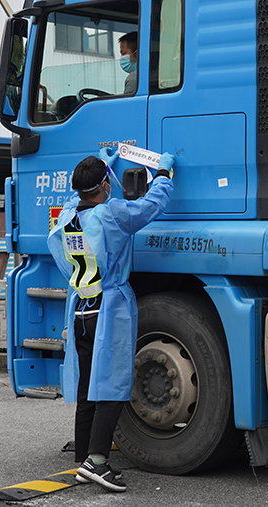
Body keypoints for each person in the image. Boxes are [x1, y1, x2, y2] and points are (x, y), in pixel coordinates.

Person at [47, 147, 174, 492]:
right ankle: (97, 462)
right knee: (114, 386)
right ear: (105, 185)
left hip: (81, 310)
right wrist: (163, 173)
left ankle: (84, 455)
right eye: (108, 181)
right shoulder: (111, 214)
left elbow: (79, 198)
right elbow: (150, 206)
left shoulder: (69, 217)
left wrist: (106, 163)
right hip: (109, 308)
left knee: (89, 385)